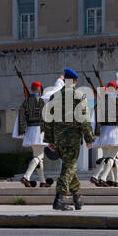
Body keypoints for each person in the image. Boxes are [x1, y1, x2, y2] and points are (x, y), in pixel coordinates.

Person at [44, 68, 95, 211]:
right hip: (72, 140)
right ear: (75, 82)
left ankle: (77, 198)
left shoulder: (55, 96)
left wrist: (50, 140)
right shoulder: (79, 96)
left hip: (59, 139)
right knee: (69, 167)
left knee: (69, 166)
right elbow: (84, 119)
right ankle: (59, 199)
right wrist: (89, 138)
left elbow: (48, 120)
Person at [91, 70, 118, 187]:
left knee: (109, 157)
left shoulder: (100, 103)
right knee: (111, 157)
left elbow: (97, 121)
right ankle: (101, 177)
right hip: (115, 132)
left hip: (104, 133)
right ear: (115, 90)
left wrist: (97, 134)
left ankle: (116, 180)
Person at [13, 81, 54, 188]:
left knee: (39, 157)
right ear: (40, 89)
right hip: (40, 131)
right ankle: (26, 176)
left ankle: (42, 181)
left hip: (30, 132)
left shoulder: (25, 102)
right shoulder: (41, 102)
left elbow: (21, 118)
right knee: (39, 156)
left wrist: (22, 131)